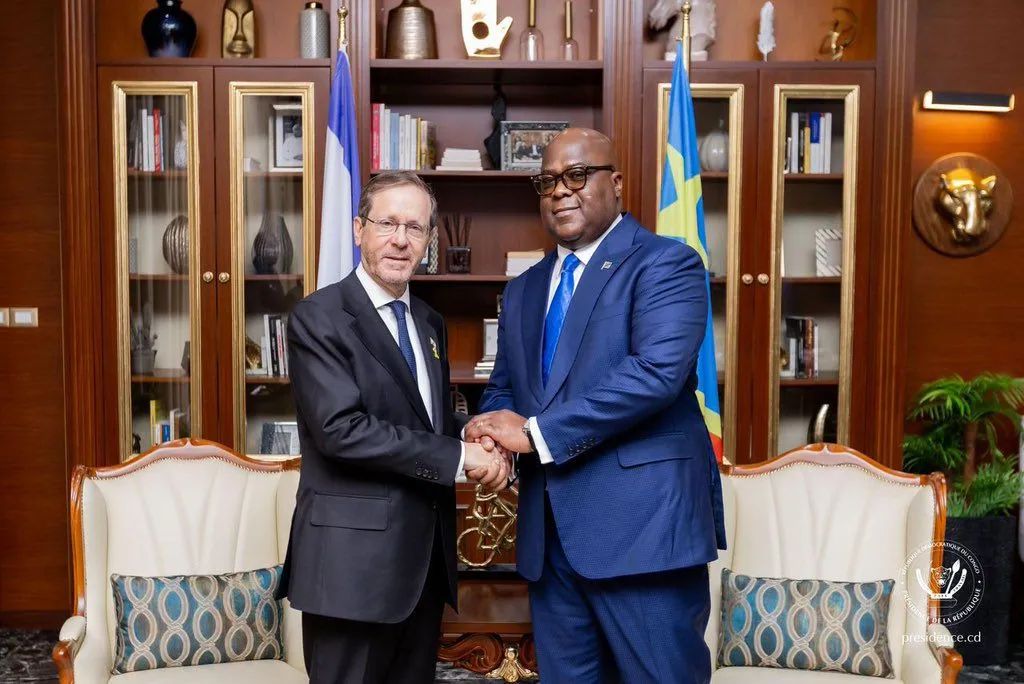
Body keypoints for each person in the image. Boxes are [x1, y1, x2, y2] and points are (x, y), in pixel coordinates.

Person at [466, 128, 727, 683]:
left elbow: (654, 375)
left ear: (617, 183)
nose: (561, 190)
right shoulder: (525, 289)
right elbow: (505, 388)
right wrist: (490, 436)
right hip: (550, 541)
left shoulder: (666, 264)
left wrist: (531, 435)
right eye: (547, 182)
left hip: (644, 536)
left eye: (578, 176)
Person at [278, 170, 511, 684]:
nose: (401, 239)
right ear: (358, 228)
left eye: (415, 227)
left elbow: (422, 418)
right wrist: (460, 457)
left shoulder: (428, 321)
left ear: (429, 240)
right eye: (387, 223)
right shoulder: (319, 317)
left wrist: (472, 432)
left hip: (422, 567)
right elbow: (342, 430)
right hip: (351, 572)